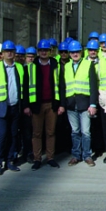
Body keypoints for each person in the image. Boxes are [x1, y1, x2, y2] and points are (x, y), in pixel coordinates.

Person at [0, 40, 27, 175]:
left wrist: (24, 106)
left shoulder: (20, 68)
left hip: (15, 107)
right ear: (2, 54)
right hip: (1, 107)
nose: (9, 53)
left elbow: (24, 90)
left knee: (14, 135)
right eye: (6, 51)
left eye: (11, 51)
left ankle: (10, 160)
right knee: (2, 135)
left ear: (14, 53)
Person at [24, 39, 64, 171]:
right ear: (37, 52)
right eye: (41, 50)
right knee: (36, 133)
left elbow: (61, 86)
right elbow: (24, 88)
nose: (43, 52)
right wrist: (26, 106)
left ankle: (50, 158)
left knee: (51, 132)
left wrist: (61, 104)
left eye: (45, 50)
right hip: (36, 105)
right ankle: (37, 159)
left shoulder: (56, 65)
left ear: (50, 51)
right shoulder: (31, 67)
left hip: (52, 104)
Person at [61, 40, 98, 167]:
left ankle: (87, 155)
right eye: (72, 52)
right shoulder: (66, 66)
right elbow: (63, 86)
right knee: (75, 131)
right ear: (69, 53)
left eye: (77, 51)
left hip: (84, 104)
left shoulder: (88, 64)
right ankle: (76, 155)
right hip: (71, 104)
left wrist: (93, 104)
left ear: (81, 52)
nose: (75, 54)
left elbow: (94, 86)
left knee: (86, 132)